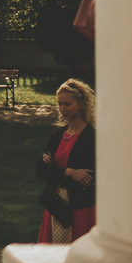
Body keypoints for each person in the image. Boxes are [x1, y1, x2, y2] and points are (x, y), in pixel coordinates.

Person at [36, 79, 96, 244]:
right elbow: (40, 169)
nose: (62, 109)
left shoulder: (92, 137)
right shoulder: (58, 135)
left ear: (82, 104)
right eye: (60, 104)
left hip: (81, 208)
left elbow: (87, 177)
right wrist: (68, 172)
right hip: (56, 206)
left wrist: (54, 170)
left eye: (67, 104)